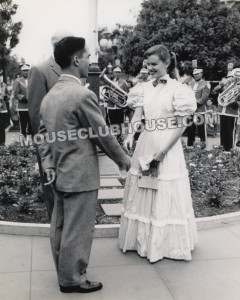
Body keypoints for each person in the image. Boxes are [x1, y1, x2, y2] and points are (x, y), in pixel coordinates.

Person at [38, 36, 131, 293]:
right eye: (88, 56)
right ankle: (73, 279)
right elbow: (102, 134)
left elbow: (43, 139)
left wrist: (48, 166)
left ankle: (64, 272)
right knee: (78, 229)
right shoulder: (82, 94)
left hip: (57, 171)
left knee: (60, 225)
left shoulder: (49, 97)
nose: (90, 60)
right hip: (81, 173)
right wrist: (124, 160)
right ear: (76, 59)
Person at [119, 45, 198, 262]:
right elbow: (137, 115)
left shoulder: (179, 89)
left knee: (164, 188)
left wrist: (162, 153)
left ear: (166, 63)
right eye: (148, 64)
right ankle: (142, 241)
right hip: (146, 141)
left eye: (154, 64)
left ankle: (164, 245)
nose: (150, 68)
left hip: (167, 146)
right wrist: (130, 134)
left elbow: (182, 126)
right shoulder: (143, 88)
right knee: (144, 188)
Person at [28, 30, 72, 217]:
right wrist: (45, 144)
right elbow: (36, 113)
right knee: (52, 187)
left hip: (72, 140)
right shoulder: (40, 70)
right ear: (57, 45)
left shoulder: (73, 67)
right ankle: (56, 226)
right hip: (51, 142)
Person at [213, 70, 239, 151]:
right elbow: (214, 92)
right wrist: (220, 86)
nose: (230, 79)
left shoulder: (238, 87)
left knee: (229, 133)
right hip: (222, 111)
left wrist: (235, 102)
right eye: (228, 77)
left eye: (232, 77)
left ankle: (230, 151)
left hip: (231, 112)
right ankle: (222, 149)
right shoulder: (225, 86)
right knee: (223, 133)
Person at [187, 67, 211, 148]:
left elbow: (204, 97)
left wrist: (193, 103)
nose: (195, 76)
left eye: (197, 74)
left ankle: (203, 145)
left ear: (201, 74)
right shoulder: (190, 84)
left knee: (201, 129)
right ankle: (190, 145)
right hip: (190, 110)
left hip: (199, 110)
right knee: (190, 127)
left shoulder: (206, 84)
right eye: (194, 74)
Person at [106, 66, 129, 142]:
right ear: (113, 73)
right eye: (116, 72)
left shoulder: (123, 83)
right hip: (111, 107)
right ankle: (115, 139)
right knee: (113, 124)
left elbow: (127, 95)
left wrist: (125, 107)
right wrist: (109, 97)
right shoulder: (109, 82)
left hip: (120, 107)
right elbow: (106, 94)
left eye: (119, 72)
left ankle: (120, 140)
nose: (117, 74)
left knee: (120, 124)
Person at [13, 64, 33, 141]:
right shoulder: (17, 81)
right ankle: (23, 143)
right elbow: (15, 94)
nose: (25, 72)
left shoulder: (33, 79)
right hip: (22, 107)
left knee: (32, 126)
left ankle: (32, 143)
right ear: (21, 72)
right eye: (24, 71)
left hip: (32, 107)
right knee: (23, 126)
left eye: (27, 70)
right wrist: (23, 98)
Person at [0, 79, 10, 145]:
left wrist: (5, 96)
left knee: (1, 126)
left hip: (2, 109)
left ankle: (2, 143)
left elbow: (8, 96)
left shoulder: (3, 85)